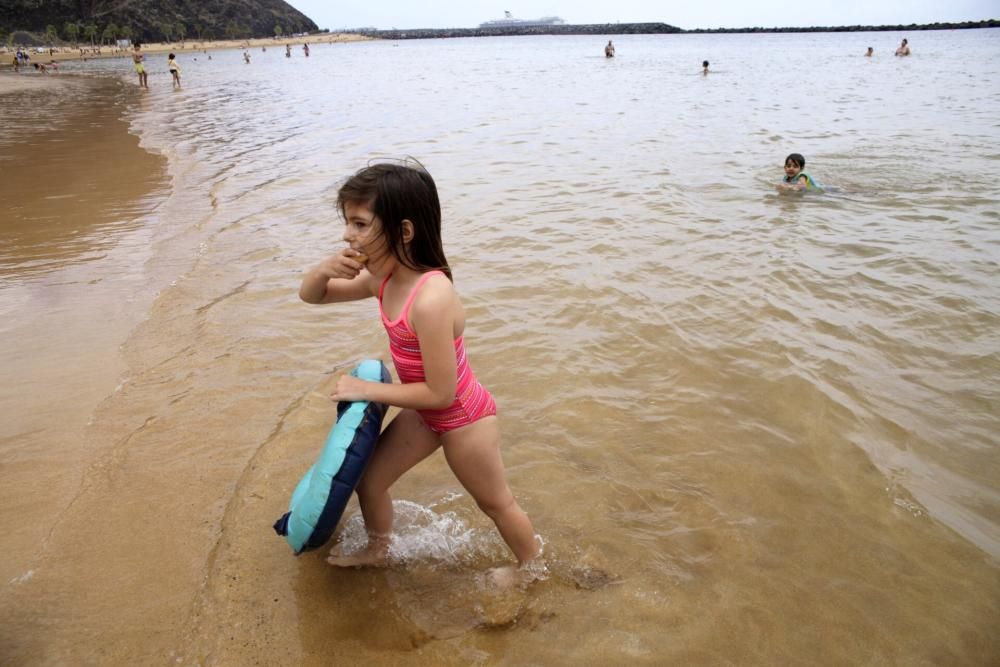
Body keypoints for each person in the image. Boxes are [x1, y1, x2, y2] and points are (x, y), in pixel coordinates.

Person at [298, 162, 541, 581]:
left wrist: (366, 390)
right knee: (370, 482)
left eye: (359, 224)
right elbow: (314, 298)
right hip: (425, 412)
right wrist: (322, 271)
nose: (347, 235)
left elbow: (441, 394)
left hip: (463, 417)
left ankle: (532, 569)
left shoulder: (431, 297)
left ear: (404, 232)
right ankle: (380, 550)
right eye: (347, 223)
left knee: (496, 503)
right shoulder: (383, 279)